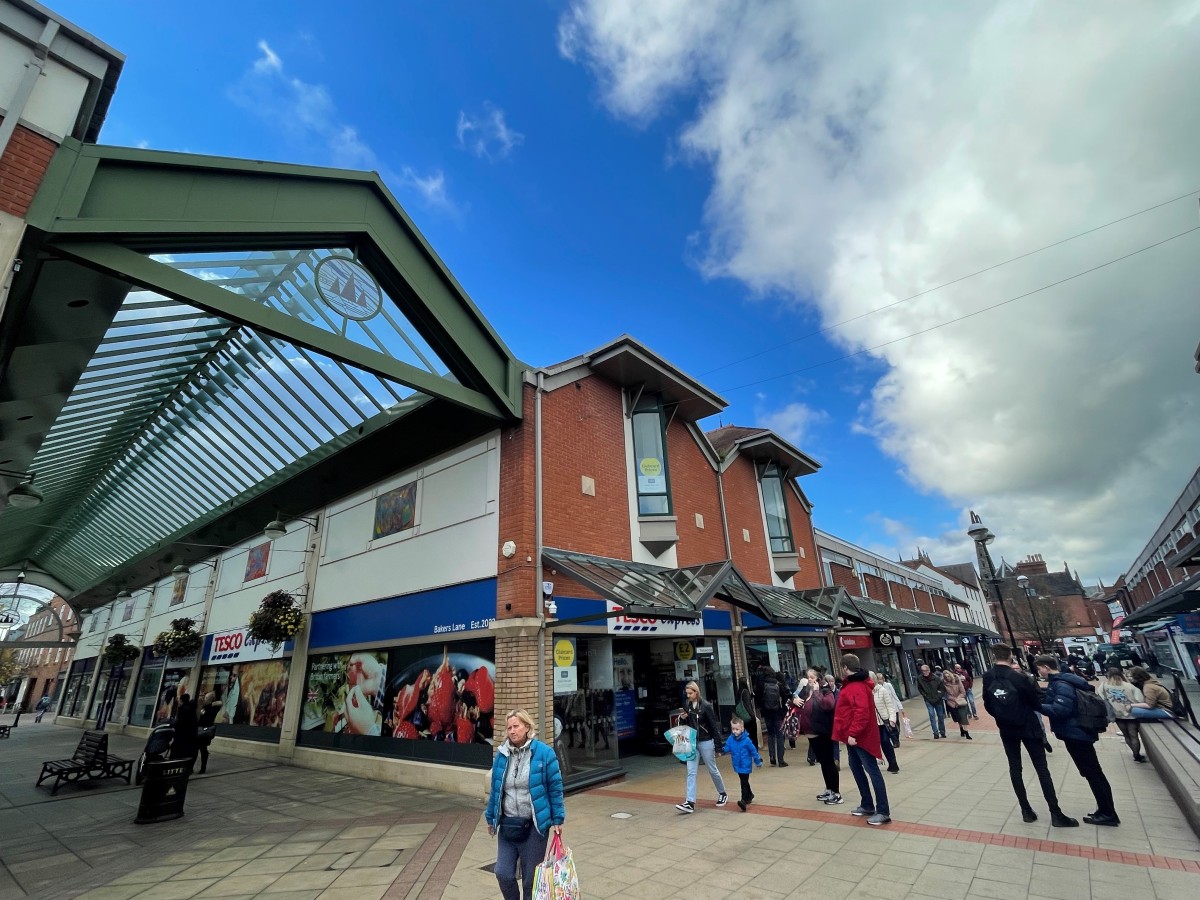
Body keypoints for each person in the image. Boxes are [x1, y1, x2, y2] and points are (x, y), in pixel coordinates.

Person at [983, 645, 1077, 827]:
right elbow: (1035, 703)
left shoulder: (987, 677)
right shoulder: (1019, 678)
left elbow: (988, 704)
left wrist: (1001, 716)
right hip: (1028, 726)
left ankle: (1026, 810)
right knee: (1041, 769)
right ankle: (1055, 813)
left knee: (1015, 768)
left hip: (1006, 729)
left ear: (993, 656)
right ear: (1010, 656)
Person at [485, 710, 565, 900]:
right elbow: (496, 789)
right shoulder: (502, 755)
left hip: (534, 827)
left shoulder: (544, 753)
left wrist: (558, 819)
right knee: (503, 873)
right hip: (508, 825)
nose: (512, 731)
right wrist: (491, 817)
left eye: (516, 726)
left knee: (531, 880)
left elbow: (555, 787)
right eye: (509, 727)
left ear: (527, 727)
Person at [1036, 655, 1119, 827]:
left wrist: (1036, 706)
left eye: (1039, 668)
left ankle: (1108, 812)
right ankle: (1104, 809)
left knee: (1093, 773)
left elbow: (1060, 710)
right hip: (1076, 732)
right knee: (1092, 772)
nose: (1039, 672)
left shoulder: (1060, 684)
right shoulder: (1065, 680)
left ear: (1046, 667)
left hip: (1076, 733)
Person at [831, 654, 891, 825]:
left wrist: (853, 734)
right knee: (856, 768)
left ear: (844, 668)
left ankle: (883, 811)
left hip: (858, 737)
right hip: (853, 736)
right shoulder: (855, 684)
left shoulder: (856, 686)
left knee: (872, 771)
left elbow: (861, 712)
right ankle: (867, 804)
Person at [675, 681, 728, 813]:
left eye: (690, 693)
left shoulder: (706, 706)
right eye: (687, 693)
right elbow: (687, 723)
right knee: (691, 771)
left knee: (712, 769)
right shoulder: (687, 705)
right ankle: (690, 802)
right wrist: (683, 718)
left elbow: (714, 727)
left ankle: (723, 793)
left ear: (696, 692)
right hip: (693, 742)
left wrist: (719, 747)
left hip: (706, 741)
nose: (688, 696)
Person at [1098, 668, 1147, 763]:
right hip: (1132, 714)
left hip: (1117, 714)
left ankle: (1134, 752)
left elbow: (1101, 698)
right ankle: (1137, 755)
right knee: (1134, 735)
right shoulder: (1130, 686)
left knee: (1126, 735)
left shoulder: (1104, 686)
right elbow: (1140, 700)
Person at [808, 673, 841, 805]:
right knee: (823, 762)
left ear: (818, 679)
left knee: (828, 762)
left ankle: (836, 793)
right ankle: (829, 789)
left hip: (825, 731)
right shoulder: (808, 691)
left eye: (811, 677)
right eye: (807, 677)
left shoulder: (825, 691)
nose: (809, 679)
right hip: (813, 732)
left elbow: (828, 705)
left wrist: (816, 693)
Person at [723, 715, 763, 811]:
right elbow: (727, 747)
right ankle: (750, 795)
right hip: (737, 765)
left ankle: (743, 800)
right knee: (744, 781)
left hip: (745, 765)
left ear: (742, 728)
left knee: (743, 782)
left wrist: (758, 761)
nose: (735, 731)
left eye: (737, 729)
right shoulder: (730, 739)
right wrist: (721, 750)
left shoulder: (747, 740)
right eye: (733, 729)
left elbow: (754, 751)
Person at [870, 671, 902, 773]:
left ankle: (893, 764)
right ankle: (875, 764)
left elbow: (890, 705)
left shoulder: (882, 690)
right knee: (874, 744)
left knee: (885, 742)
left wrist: (892, 719)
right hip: (873, 723)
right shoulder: (866, 692)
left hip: (884, 722)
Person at [758, 668, 787, 766]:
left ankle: (772, 757)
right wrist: (783, 711)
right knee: (779, 735)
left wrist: (762, 709)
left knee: (770, 734)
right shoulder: (778, 684)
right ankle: (781, 759)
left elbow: (758, 698)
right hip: (777, 712)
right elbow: (785, 697)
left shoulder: (761, 684)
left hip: (766, 713)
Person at [169, 694, 200, 771]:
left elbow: (180, 722)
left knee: (176, 750)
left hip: (182, 735)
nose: (178, 702)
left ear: (182, 701)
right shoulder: (191, 710)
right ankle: (188, 767)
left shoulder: (184, 710)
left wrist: (173, 724)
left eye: (179, 700)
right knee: (188, 752)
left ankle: (174, 765)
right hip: (191, 736)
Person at [916, 663, 947, 739]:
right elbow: (920, 688)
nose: (924, 672)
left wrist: (939, 696)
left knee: (940, 716)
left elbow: (942, 689)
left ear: (929, 670)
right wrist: (925, 695)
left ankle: (942, 732)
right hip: (928, 700)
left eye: (925, 670)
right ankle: (935, 733)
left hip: (938, 700)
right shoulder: (920, 678)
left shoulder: (936, 678)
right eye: (923, 671)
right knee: (932, 716)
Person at [197, 691, 223, 773]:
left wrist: (209, 703)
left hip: (206, 730)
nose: (205, 699)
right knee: (196, 749)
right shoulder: (204, 707)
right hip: (200, 728)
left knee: (203, 749)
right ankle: (191, 767)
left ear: (211, 699)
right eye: (205, 698)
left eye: (207, 698)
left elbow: (220, 703)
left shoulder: (213, 707)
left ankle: (203, 768)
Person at [943, 670, 973, 740]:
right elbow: (946, 695)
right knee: (958, 718)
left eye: (948, 676)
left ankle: (966, 733)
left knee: (963, 717)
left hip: (961, 701)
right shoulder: (944, 684)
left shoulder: (957, 680)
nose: (948, 678)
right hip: (952, 703)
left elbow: (963, 692)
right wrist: (953, 699)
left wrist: (958, 698)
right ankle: (961, 729)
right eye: (946, 677)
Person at [736, 678, 759, 749]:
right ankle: (755, 752)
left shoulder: (739, 692)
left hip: (742, 717)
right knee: (753, 736)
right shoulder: (745, 691)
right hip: (748, 717)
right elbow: (747, 705)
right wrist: (752, 716)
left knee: (746, 736)